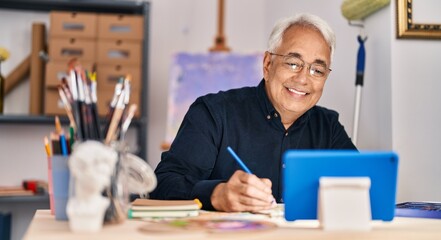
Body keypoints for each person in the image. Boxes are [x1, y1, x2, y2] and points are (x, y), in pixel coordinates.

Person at [150, 13, 356, 212]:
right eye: (293, 63)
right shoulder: (214, 113)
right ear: (267, 65)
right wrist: (217, 194)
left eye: (317, 70)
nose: (303, 79)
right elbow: (164, 184)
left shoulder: (328, 127)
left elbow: (363, 186)